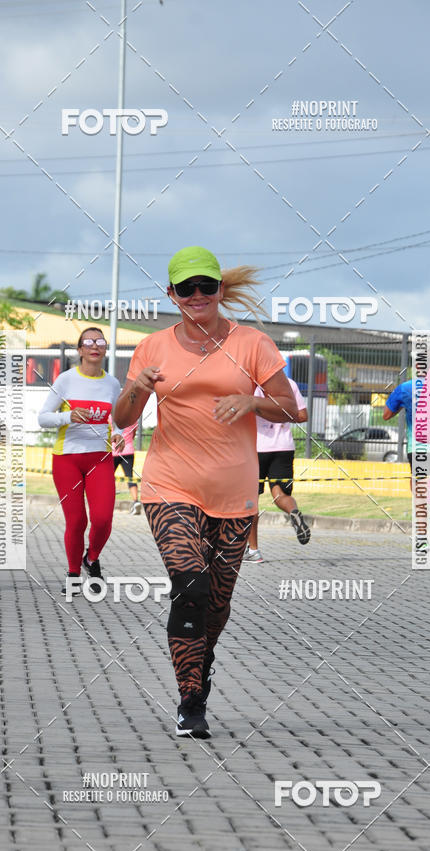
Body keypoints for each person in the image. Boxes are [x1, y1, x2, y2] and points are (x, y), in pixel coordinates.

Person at [114, 246, 298, 739]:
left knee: (216, 601)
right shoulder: (152, 347)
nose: (197, 296)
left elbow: (291, 409)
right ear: (170, 293)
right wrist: (138, 388)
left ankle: (202, 656)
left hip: (235, 490)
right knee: (190, 585)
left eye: (206, 286)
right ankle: (190, 698)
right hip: (169, 482)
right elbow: (123, 418)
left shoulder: (253, 343)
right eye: (186, 288)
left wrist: (252, 400)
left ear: (219, 289)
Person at [38, 328, 121, 594]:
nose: (94, 346)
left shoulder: (113, 384)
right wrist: (68, 416)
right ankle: (73, 574)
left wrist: (119, 435)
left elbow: (117, 421)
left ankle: (92, 558)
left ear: (105, 348)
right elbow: (42, 418)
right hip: (67, 459)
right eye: (88, 342)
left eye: (100, 341)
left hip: (101, 458)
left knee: (102, 518)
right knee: (76, 522)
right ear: (80, 349)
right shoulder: (65, 380)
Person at [244, 377, 310, 562]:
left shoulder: (249, 385)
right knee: (280, 494)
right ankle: (293, 513)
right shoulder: (289, 383)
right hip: (283, 447)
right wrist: (281, 415)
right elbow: (303, 416)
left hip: (256, 448)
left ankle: (254, 551)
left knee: (251, 500)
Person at [113, 420, 141, 514]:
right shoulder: (133, 419)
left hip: (114, 451)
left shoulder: (111, 416)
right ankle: (136, 502)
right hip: (128, 450)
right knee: (130, 477)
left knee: (108, 478)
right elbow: (133, 435)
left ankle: (106, 502)